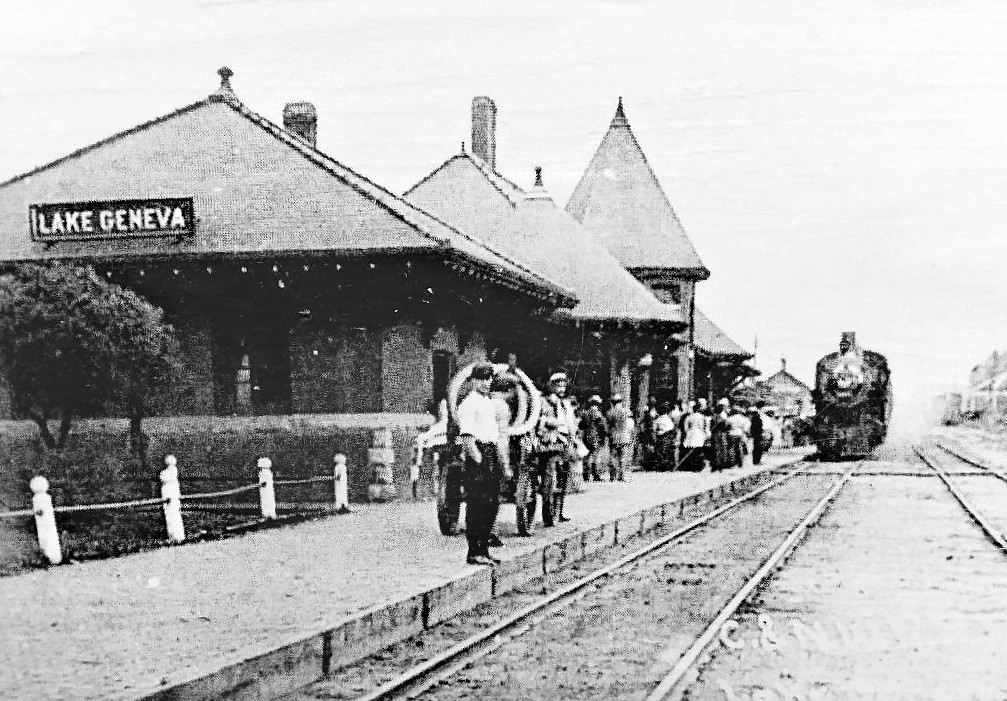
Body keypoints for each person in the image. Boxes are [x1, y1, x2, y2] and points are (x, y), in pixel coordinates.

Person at [457, 362, 507, 566]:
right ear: (474, 380)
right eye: (483, 378)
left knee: (491, 503)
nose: (487, 382)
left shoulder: (487, 402)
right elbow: (468, 438)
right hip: (479, 453)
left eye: (489, 379)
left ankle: (484, 550)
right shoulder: (469, 403)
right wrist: (479, 462)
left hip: (491, 451)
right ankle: (474, 551)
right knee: (477, 503)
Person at [537, 372, 577, 525]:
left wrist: (573, 440)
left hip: (565, 440)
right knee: (549, 478)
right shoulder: (546, 401)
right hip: (552, 441)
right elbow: (541, 419)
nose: (561, 388)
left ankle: (559, 512)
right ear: (552, 386)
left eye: (563, 385)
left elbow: (571, 424)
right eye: (558, 385)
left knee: (564, 477)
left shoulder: (566, 404)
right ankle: (548, 514)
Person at [606, 394, 634, 481]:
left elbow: (608, 426)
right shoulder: (627, 412)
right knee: (623, 457)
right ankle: (622, 476)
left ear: (612, 402)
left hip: (614, 436)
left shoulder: (609, 413)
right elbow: (630, 424)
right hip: (624, 437)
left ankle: (613, 476)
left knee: (613, 457)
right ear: (621, 401)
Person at [581, 394, 608, 482]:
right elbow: (602, 425)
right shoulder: (597, 412)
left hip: (586, 435)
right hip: (595, 436)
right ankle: (596, 475)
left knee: (587, 456)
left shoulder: (586, 412)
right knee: (595, 456)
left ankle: (585, 475)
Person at [679, 401, 709, 471]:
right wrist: (705, 434)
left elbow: (685, 428)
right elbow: (704, 427)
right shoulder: (702, 417)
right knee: (699, 450)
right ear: (699, 409)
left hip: (691, 433)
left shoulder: (689, 417)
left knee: (691, 450)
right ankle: (699, 465)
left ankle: (692, 465)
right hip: (699, 433)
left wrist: (688, 434)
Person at [653, 401, 676, 471]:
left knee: (659, 452)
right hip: (666, 436)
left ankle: (659, 465)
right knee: (667, 451)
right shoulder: (668, 420)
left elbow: (654, 429)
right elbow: (671, 429)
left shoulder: (657, 420)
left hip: (659, 436)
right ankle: (667, 465)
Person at [711, 398, 732, 471]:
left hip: (722, 432)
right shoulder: (716, 415)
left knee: (723, 447)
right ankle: (719, 462)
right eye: (720, 406)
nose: (720, 407)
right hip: (718, 433)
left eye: (722, 406)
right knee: (718, 447)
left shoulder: (723, 415)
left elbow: (726, 424)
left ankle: (723, 461)